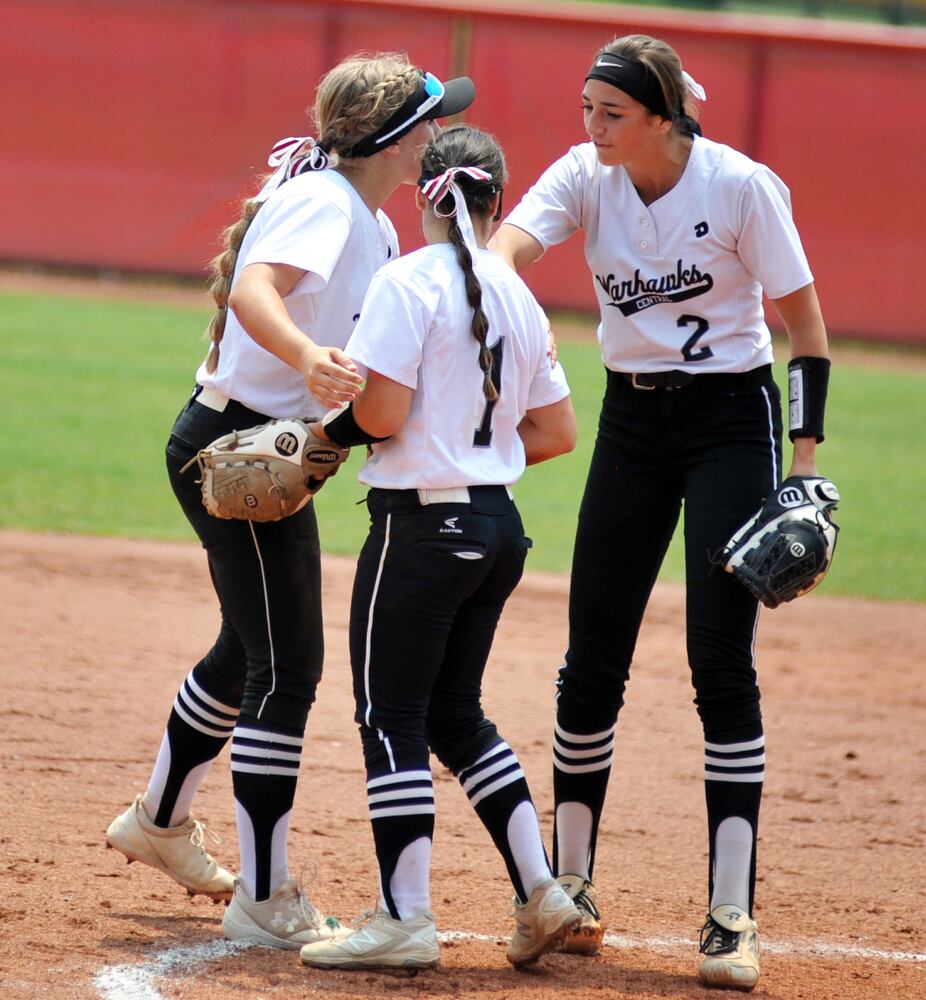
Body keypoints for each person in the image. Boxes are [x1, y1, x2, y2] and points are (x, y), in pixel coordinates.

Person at [105, 53, 475, 951]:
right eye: (427, 119)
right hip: (236, 449)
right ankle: (264, 895)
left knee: (249, 646)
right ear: (390, 137)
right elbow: (253, 290)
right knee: (289, 668)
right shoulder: (326, 203)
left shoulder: (371, 221)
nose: (437, 132)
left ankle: (158, 820)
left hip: (264, 449)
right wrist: (310, 361)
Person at [490, 33, 832, 991]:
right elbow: (511, 246)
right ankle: (571, 889)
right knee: (591, 652)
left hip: (732, 418)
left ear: (664, 116)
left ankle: (731, 913)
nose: (590, 126)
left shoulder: (739, 186)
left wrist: (801, 466)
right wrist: (496, 289)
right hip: (632, 420)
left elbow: (803, 329)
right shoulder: (587, 177)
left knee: (718, 659)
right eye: (586, 109)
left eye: (611, 113)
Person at [298, 123, 580, 972]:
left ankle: (404, 916)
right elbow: (558, 431)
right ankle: (543, 890)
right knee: (457, 715)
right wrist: (472, 454)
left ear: (426, 196)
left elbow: (380, 416)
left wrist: (320, 435)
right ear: (497, 200)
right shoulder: (520, 295)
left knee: (392, 717)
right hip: (498, 529)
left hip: (422, 532)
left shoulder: (405, 279)